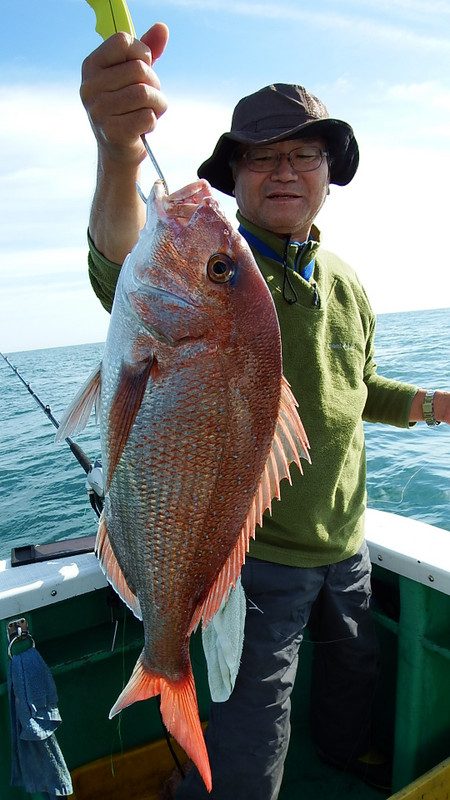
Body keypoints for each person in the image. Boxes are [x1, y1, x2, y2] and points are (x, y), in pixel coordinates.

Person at [80, 23, 450, 800]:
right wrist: (118, 153)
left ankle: (350, 759)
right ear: (237, 174)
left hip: (346, 540)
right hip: (261, 560)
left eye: (304, 153)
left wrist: (426, 403)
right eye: (262, 155)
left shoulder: (346, 283)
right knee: (257, 725)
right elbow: (121, 258)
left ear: (328, 173)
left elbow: (358, 386)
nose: (285, 169)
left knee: (356, 674)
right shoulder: (218, 274)